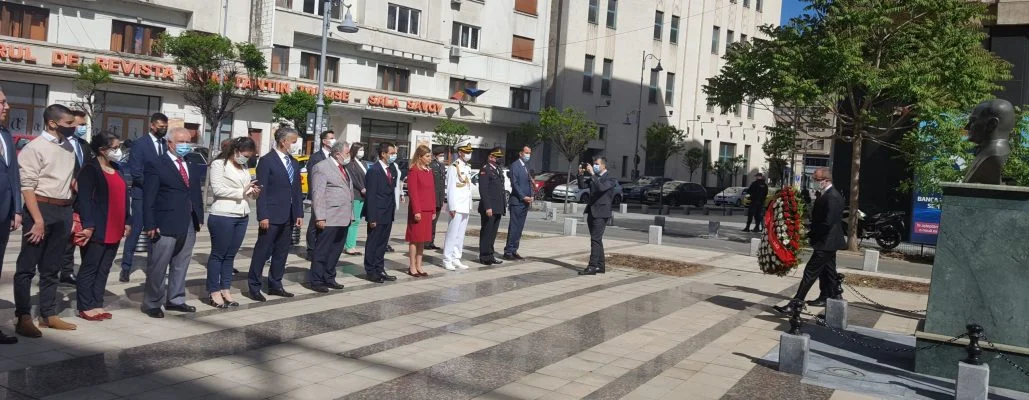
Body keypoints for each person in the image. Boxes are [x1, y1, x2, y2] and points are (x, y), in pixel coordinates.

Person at [15, 104, 81, 336]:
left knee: (52, 267)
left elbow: (68, 178)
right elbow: (27, 186)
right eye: (69, 123)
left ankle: (48, 314)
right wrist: (37, 220)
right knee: (27, 267)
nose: (74, 127)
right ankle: (23, 317)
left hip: (63, 210)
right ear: (52, 123)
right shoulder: (34, 148)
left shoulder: (68, 147)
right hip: (40, 208)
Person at [141, 128, 203, 318]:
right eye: (181, 142)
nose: (185, 145)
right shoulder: (156, 164)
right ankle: (152, 302)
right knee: (158, 265)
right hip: (165, 222)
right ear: (170, 143)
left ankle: (176, 299)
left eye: (188, 142)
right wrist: (150, 224)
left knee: (181, 263)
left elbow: (195, 192)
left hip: (188, 221)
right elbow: (149, 197)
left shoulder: (191, 164)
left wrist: (199, 217)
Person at [773, 167, 847, 314]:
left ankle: (796, 304)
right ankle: (831, 297)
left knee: (810, 272)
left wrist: (810, 234)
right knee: (828, 272)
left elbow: (827, 223)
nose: (814, 182)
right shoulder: (825, 194)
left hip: (826, 242)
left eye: (816, 179)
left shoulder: (832, 196)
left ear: (826, 180)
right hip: (827, 241)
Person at [74, 131, 130, 321]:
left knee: (104, 267)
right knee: (90, 267)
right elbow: (84, 200)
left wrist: (128, 220)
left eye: (119, 147)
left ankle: (97, 302)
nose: (118, 151)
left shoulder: (117, 168)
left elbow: (124, 196)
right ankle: (85, 306)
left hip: (115, 226)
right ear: (102, 150)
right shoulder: (90, 169)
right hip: (97, 227)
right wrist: (88, 225)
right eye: (115, 147)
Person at [248, 127, 304, 302]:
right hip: (271, 215)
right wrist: (263, 215)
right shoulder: (267, 161)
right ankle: (254, 286)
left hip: (288, 215)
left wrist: (299, 212)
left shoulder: (293, 162)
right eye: (293, 142)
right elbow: (261, 191)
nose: (295, 145)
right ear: (283, 141)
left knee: (282, 252)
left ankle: (275, 284)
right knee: (262, 251)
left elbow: (297, 190)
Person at [206, 137, 259, 308]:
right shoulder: (219, 164)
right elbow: (218, 189)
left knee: (230, 255)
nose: (246, 158)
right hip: (223, 214)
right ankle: (214, 290)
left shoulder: (244, 167)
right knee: (218, 255)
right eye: (245, 155)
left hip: (242, 214)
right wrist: (242, 191)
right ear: (236, 151)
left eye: (249, 156)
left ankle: (225, 288)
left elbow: (247, 190)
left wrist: (254, 192)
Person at [120, 113, 169, 282]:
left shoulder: (165, 144)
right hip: (142, 194)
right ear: (152, 126)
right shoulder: (140, 144)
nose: (163, 129)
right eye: (161, 127)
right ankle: (126, 267)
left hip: (160, 197)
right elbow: (136, 172)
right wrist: (152, 186)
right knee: (136, 230)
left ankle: (154, 267)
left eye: (166, 127)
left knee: (156, 231)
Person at [308, 140, 353, 293]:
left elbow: (348, 192)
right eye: (347, 153)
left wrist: (351, 215)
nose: (349, 155)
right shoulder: (322, 167)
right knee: (322, 250)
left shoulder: (343, 168)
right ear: (338, 153)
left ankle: (329, 277)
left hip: (343, 217)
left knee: (335, 250)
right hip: (329, 216)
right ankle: (316, 280)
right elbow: (318, 193)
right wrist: (320, 217)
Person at [60, 110, 95, 286]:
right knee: (67, 235)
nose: (83, 128)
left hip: (83, 197)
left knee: (80, 232)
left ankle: (78, 271)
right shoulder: (62, 144)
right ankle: (65, 270)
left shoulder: (84, 145)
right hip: (66, 196)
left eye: (84, 125)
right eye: (80, 124)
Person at [0, 85, 23, 344]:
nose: (7, 106)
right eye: (2, 102)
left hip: (4, 213)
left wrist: (17, 208)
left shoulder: (6, 134)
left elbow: (13, 174)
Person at [363, 142, 399, 283]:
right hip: (377, 214)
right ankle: (371, 271)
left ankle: (380, 269)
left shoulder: (390, 169)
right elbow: (371, 195)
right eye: (391, 153)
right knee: (373, 243)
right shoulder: (374, 170)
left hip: (387, 213)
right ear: (383, 154)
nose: (394, 156)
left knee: (382, 244)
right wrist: (372, 217)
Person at [579, 156, 618, 275]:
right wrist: (580, 174)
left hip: (602, 213)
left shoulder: (610, 178)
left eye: (597, 164)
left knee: (595, 239)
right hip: (592, 210)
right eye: (594, 164)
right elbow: (582, 186)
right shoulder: (595, 177)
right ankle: (600, 266)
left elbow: (601, 188)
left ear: (603, 165)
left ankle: (592, 266)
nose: (594, 166)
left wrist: (592, 174)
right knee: (597, 239)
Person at [405, 145, 436, 277]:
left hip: (428, 210)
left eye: (430, 156)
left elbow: (432, 192)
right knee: (414, 238)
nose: (430, 158)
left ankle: (419, 265)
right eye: (427, 156)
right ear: (420, 157)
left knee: (422, 239)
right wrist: (416, 211)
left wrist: (433, 209)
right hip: (418, 210)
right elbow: (413, 193)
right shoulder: (414, 171)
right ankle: (412, 266)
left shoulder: (429, 171)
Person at [442, 144, 474, 271]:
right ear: (460, 152)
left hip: (465, 205)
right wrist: (452, 206)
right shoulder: (453, 167)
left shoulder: (467, 167)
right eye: (466, 152)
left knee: (460, 235)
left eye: (470, 152)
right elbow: (450, 188)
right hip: (456, 205)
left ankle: (456, 258)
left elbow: (468, 187)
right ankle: (447, 259)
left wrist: (469, 204)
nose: (469, 154)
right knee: (452, 234)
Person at [306, 130, 335, 259]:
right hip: (318, 195)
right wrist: (314, 196)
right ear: (324, 141)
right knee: (315, 222)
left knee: (325, 223)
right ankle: (311, 250)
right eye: (331, 138)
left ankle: (321, 248)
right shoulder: (316, 157)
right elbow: (312, 178)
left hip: (330, 196)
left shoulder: (333, 156)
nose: (333, 140)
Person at [477, 147, 506, 265]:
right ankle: (484, 256)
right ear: (490, 157)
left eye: (499, 157)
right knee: (487, 232)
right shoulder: (485, 169)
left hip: (498, 207)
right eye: (496, 157)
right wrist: (488, 207)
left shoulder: (497, 169)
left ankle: (490, 255)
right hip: (489, 207)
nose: (498, 159)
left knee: (493, 233)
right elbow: (483, 190)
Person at [504, 146, 533, 261]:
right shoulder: (515, 166)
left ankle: (514, 250)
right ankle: (508, 251)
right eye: (526, 153)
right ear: (521, 153)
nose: (528, 155)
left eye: (529, 153)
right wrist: (523, 196)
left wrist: (531, 195)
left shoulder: (525, 166)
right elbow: (515, 184)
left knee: (519, 228)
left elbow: (529, 182)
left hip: (525, 202)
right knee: (514, 227)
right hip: (517, 202)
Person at [343, 143, 366, 256]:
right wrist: (361, 188)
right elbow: (353, 178)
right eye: (360, 150)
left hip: (363, 196)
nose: (362, 152)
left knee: (357, 221)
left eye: (363, 149)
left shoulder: (363, 163)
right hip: (356, 194)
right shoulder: (350, 164)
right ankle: (349, 246)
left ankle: (352, 245)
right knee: (354, 221)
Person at [426, 148, 447, 250]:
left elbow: (442, 184)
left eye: (443, 155)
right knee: (429, 221)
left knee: (434, 222)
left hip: (439, 198)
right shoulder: (431, 166)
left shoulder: (442, 166)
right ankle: (426, 242)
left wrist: (442, 199)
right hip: (432, 198)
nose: (442, 157)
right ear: (435, 156)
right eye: (441, 155)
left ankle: (431, 241)